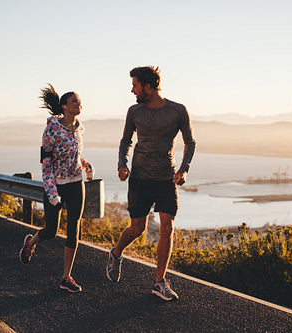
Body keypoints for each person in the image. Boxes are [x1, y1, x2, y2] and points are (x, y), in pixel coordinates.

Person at [106, 66, 196, 301]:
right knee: (138, 229)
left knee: (167, 228)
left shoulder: (177, 110)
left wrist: (184, 169)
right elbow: (126, 140)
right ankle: (116, 253)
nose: (132, 90)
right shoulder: (134, 111)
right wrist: (122, 164)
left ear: (148, 86)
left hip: (166, 178)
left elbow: (190, 142)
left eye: (135, 85)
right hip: (140, 178)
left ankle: (159, 282)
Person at [19, 84, 93, 293]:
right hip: (56, 186)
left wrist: (86, 165)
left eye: (79, 101)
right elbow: (46, 162)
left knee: (73, 229)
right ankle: (30, 242)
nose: (79, 104)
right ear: (64, 106)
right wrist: (51, 192)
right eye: (74, 101)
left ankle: (66, 277)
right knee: (51, 231)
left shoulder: (79, 127)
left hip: (76, 183)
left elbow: (73, 155)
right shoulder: (51, 129)